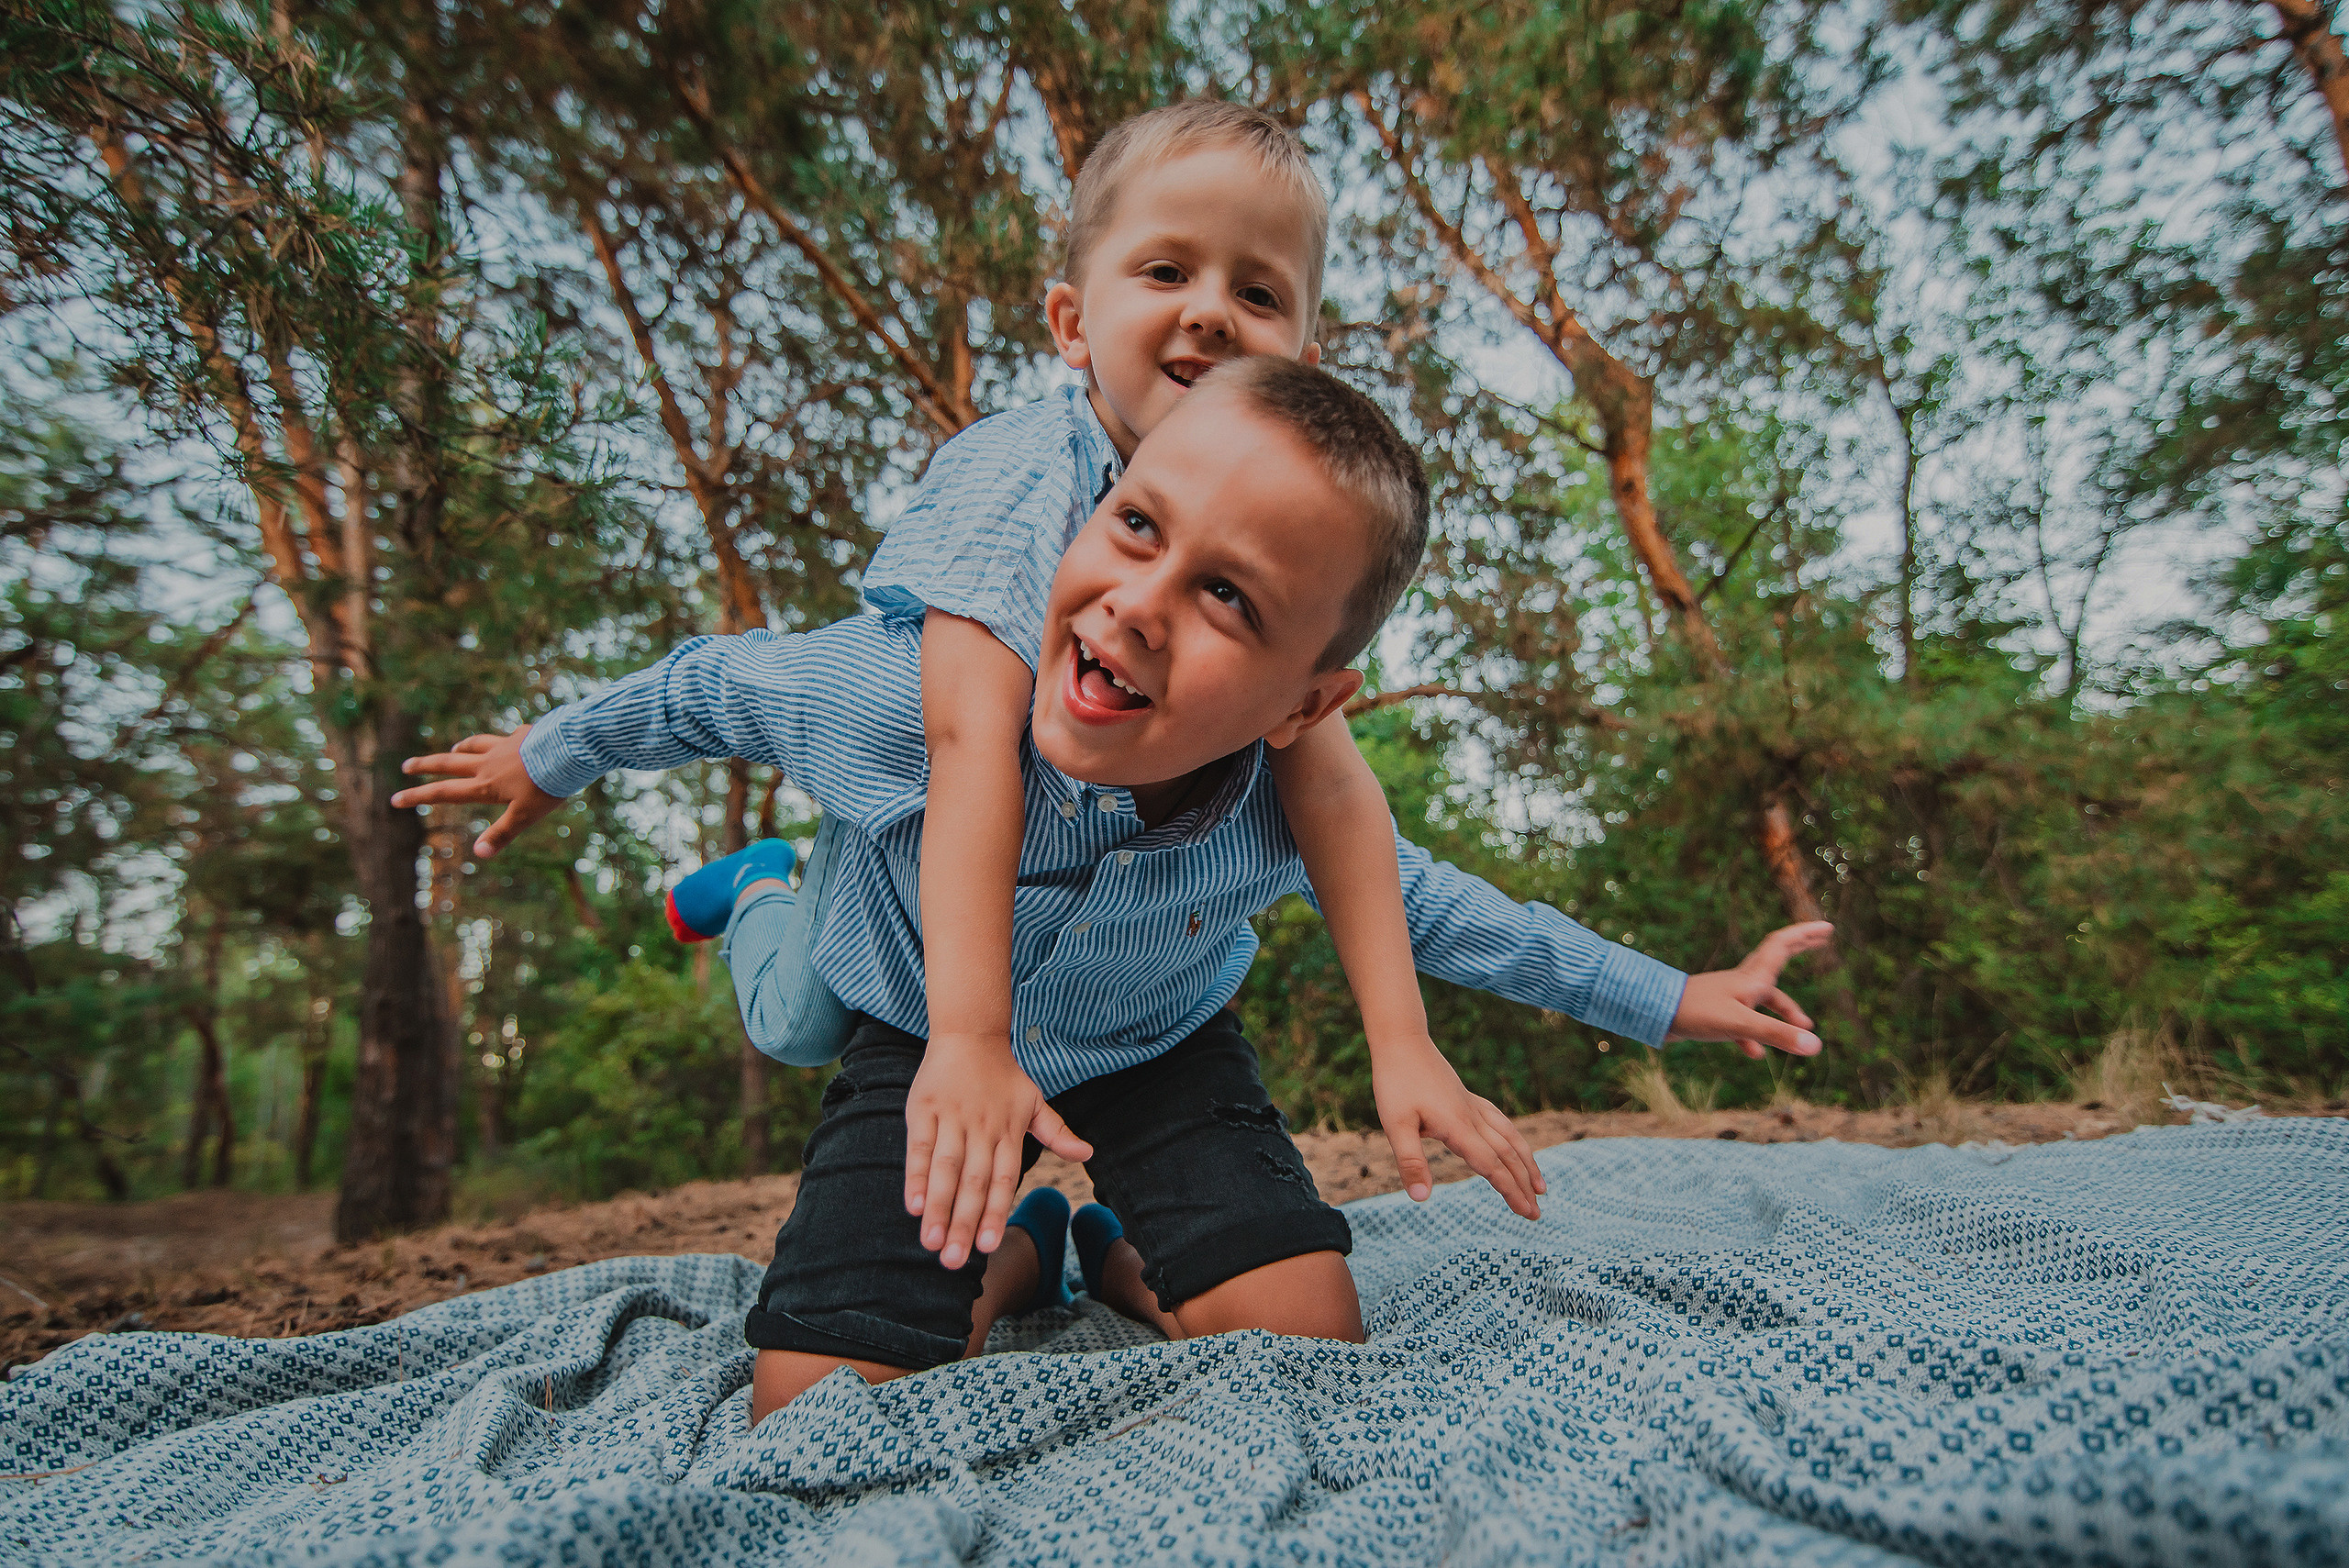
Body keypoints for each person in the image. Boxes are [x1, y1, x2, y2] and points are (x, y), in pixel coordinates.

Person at [391, 358, 1831, 1422]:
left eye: (1232, 598)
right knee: (818, 1392)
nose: (1143, 599)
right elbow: (711, 684)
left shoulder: (1286, 806)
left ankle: (1101, 1239)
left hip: (1159, 1050)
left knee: (1301, 1344)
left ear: (1307, 701)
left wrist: (1677, 999)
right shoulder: (910, 699)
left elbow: (1457, 914)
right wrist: (548, 754)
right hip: (919, 1022)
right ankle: (1011, 1247)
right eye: (1138, 527)